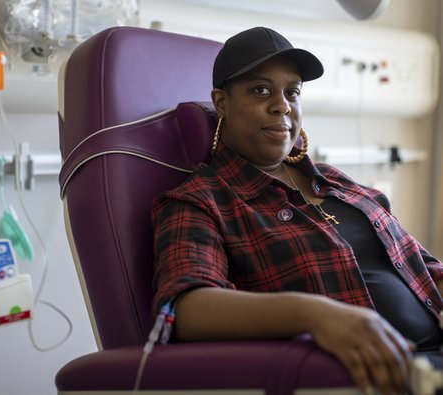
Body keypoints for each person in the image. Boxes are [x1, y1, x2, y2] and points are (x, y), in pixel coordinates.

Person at [151, 27, 443, 395]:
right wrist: (315, 315)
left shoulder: (339, 183)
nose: (282, 105)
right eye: (261, 90)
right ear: (221, 102)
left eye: (292, 92)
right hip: (378, 376)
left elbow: (426, 270)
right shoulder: (201, 201)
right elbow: (186, 308)